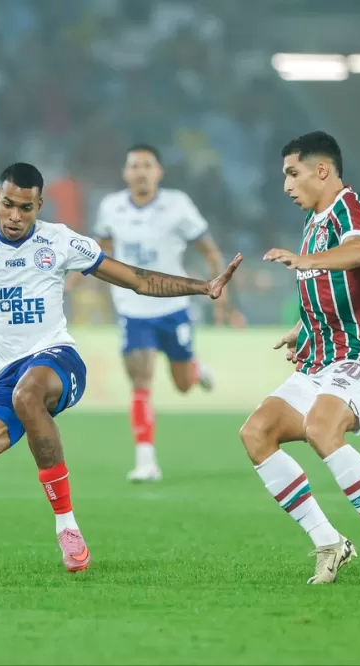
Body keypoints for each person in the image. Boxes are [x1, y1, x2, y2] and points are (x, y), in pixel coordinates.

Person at [0, 163, 241, 574]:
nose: (14, 216)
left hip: (58, 359)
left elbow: (135, 278)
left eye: (25, 208)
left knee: (28, 393)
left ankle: (67, 527)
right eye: (8, 205)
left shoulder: (59, 241)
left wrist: (203, 287)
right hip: (6, 373)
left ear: (39, 206)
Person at [241, 131, 360, 584]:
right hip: (320, 359)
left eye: (292, 173)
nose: (286, 186)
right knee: (257, 433)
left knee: (321, 426)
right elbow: (330, 285)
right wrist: (304, 327)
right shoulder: (315, 222)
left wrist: (301, 260)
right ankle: (329, 542)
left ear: (322, 170)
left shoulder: (349, 207)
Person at [91, 144, 242, 482]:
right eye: (134, 165)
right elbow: (99, 252)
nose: (141, 171)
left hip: (173, 307)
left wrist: (222, 297)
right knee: (141, 383)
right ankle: (146, 460)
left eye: (147, 165)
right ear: (125, 173)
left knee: (184, 385)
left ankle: (193, 367)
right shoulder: (110, 208)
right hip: (132, 309)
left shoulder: (178, 206)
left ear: (159, 172)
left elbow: (210, 251)